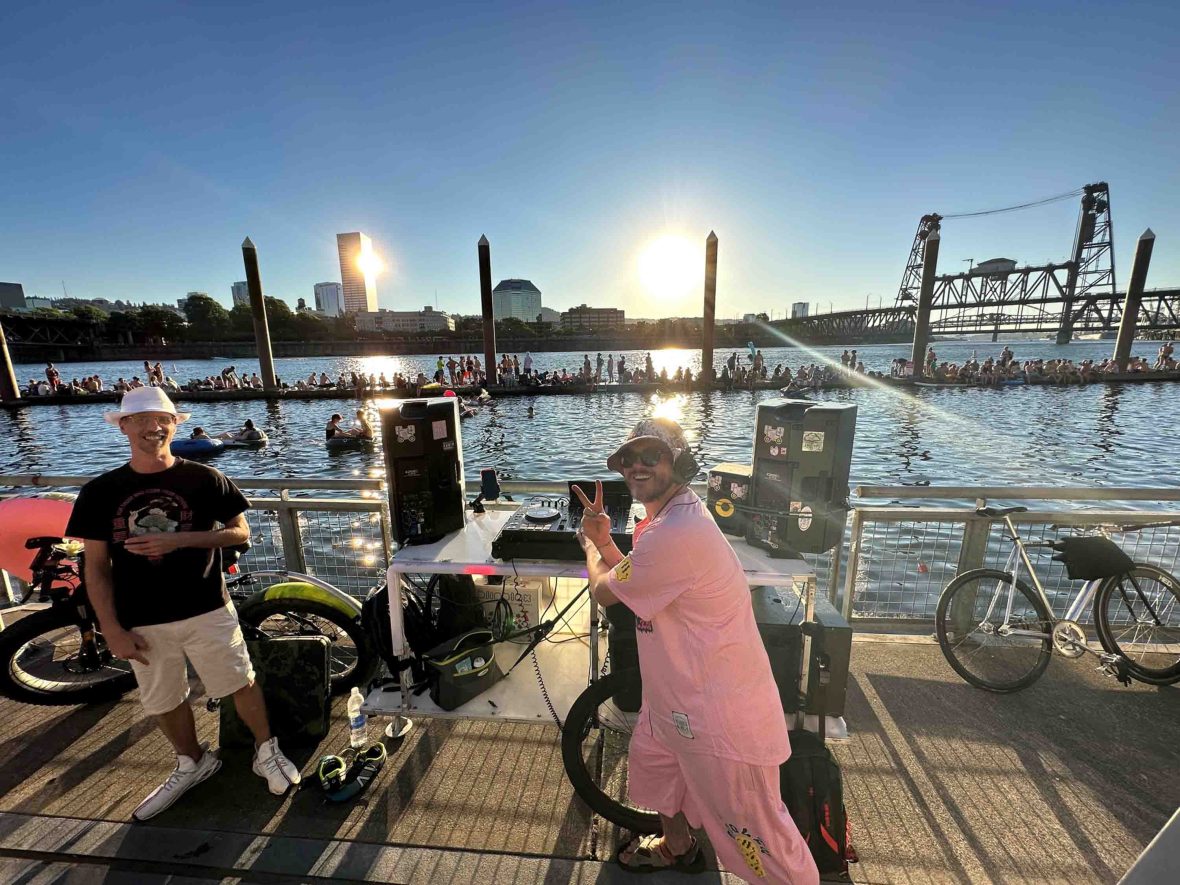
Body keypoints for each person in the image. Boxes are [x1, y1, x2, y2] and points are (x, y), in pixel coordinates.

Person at [573, 418, 818, 883]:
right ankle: (676, 847)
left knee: (757, 834)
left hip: (718, 712)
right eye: (629, 458)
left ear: (678, 464)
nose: (637, 466)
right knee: (660, 770)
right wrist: (606, 540)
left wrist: (588, 544)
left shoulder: (676, 533)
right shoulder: (668, 520)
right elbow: (638, 578)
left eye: (652, 456)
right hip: (676, 697)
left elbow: (604, 591)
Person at [63, 387, 300, 822]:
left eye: (163, 419)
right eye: (141, 419)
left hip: (206, 605)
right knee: (163, 699)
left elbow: (240, 532)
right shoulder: (100, 491)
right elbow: (95, 567)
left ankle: (266, 751)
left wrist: (180, 539)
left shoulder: (204, 479)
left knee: (240, 682)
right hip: (140, 618)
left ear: (175, 425)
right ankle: (191, 763)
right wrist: (110, 628)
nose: (153, 427)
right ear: (123, 426)